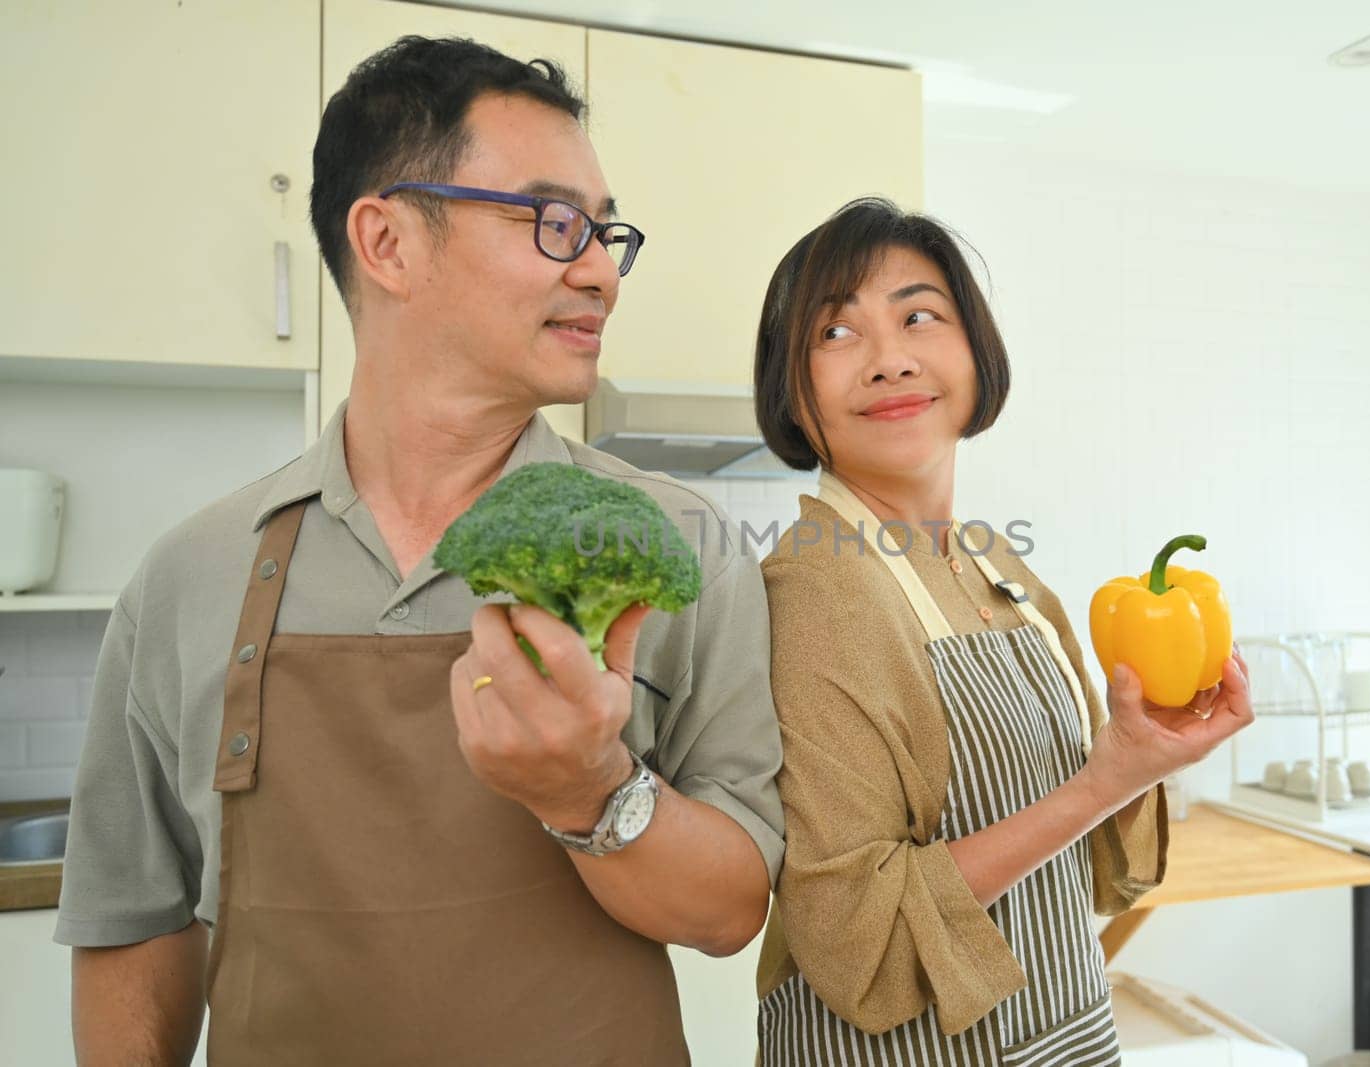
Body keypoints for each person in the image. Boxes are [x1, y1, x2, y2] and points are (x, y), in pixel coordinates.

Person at [55, 36, 783, 1067]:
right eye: (554, 221)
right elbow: (137, 918)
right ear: (388, 241)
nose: (599, 271)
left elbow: (731, 908)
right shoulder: (188, 572)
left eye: (605, 231)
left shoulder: (677, 545)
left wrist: (591, 789)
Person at [750, 199, 1254, 1065]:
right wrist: (1106, 781)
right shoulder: (817, 589)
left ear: (976, 353)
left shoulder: (999, 569)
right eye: (836, 334)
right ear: (792, 396)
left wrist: (1142, 761)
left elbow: (1095, 875)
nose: (889, 359)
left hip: (1066, 1038)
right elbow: (853, 939)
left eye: (920, 316)